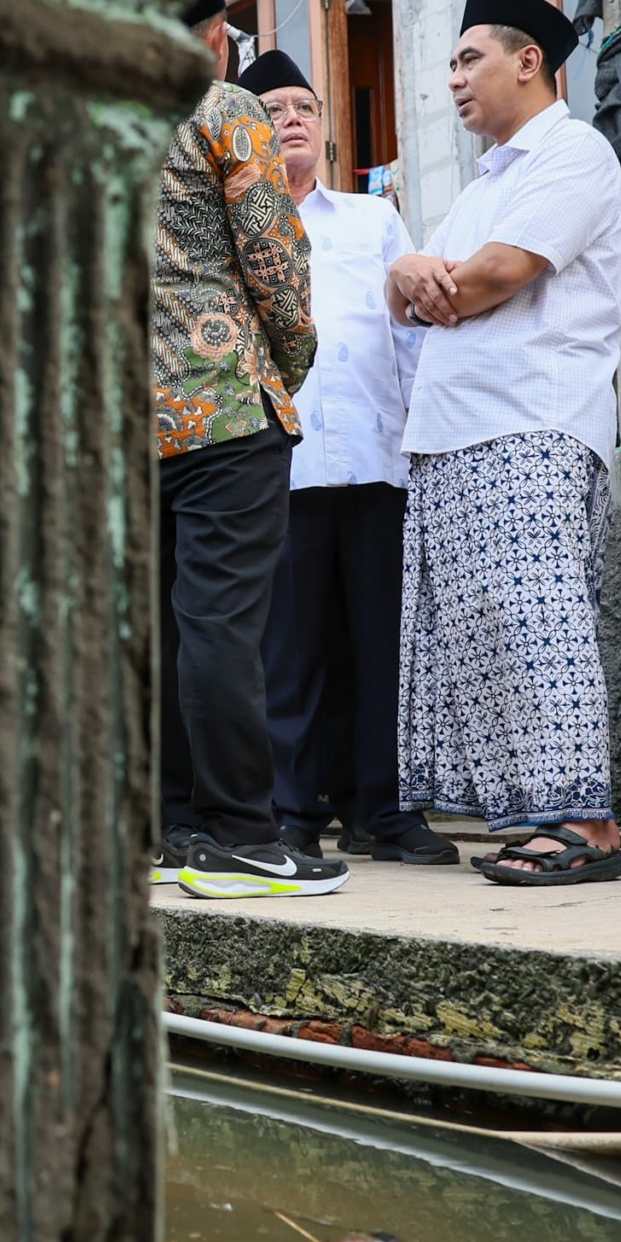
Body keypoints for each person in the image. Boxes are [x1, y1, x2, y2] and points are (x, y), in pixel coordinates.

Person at [389, 0, 621, 885]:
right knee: (485, 630)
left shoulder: (574, 151)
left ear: (528, 61)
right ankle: (536, 810)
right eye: (452, 64)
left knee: (541, 621)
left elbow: (498, 275)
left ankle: (586, 821)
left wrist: (425, 276)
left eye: (467, 59)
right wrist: (411, 269)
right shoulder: (485, 181)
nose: (453, 80)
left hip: (533, 418)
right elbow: (404, 292)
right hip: (456, 431)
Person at [233, 49, 456, 868]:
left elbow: (407, 341)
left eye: (307, 107)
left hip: (374, 464)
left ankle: (383, 811)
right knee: (286, 653)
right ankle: (292, 814)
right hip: (275, 471)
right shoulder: (229, 230)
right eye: (276, 108)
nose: (295, 118)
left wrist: (419, 448)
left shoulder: (372, 221)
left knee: (378, 647)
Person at [151, 0, 325, 899]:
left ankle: (167, 826)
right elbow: (275, 258)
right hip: (221, 406)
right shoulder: (223, 107)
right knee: (219, 623)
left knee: (154, 628)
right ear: (216, 35)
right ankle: (243, 836)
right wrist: (283, 369)